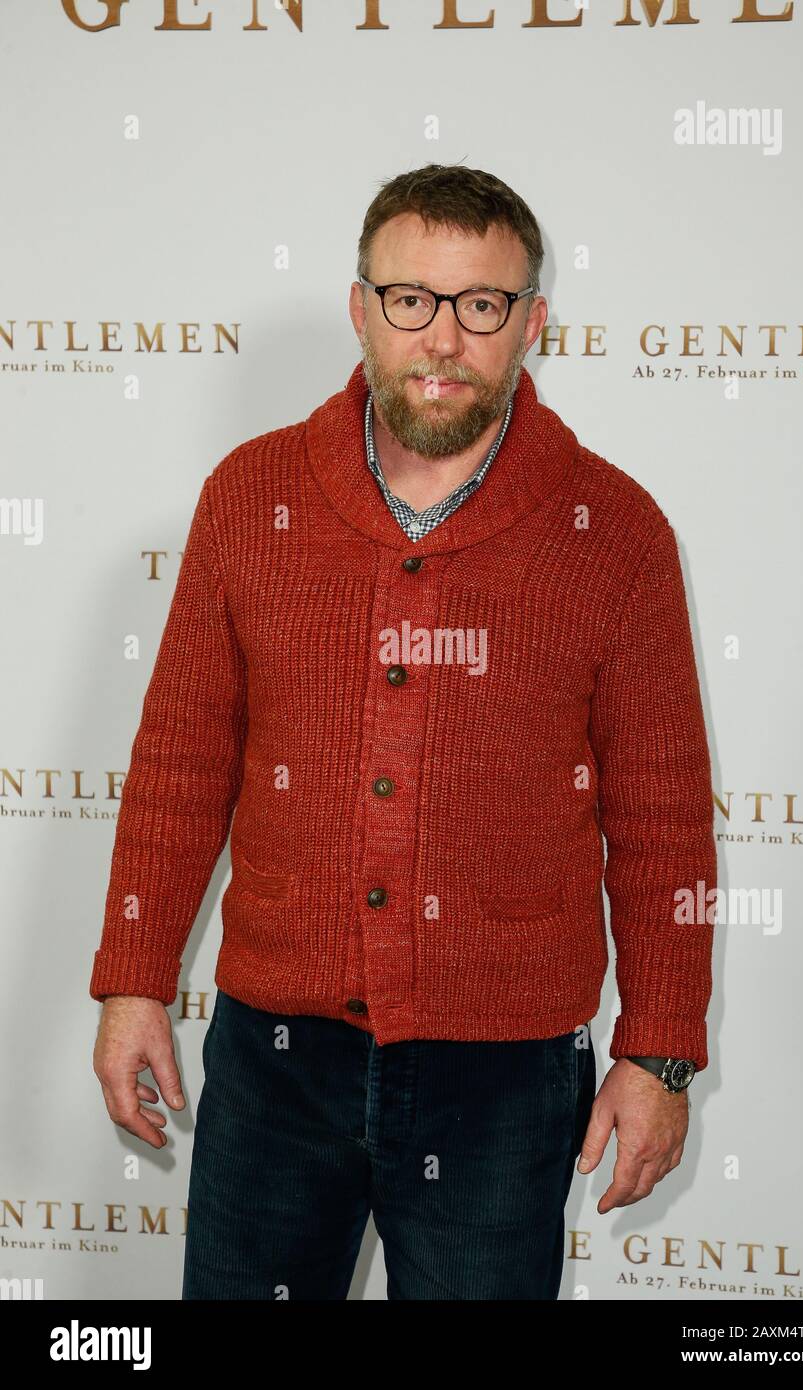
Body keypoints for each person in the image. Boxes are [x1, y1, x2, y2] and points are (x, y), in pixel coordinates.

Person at [90, 163, 716, 1301]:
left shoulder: (612, 532)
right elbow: (180, 763)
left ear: (530, 321)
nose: (442, 338)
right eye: (410, 299)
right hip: (275, 1054)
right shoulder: (250, 495)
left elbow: (663, 818)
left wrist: (659, 1050)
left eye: (480, 305)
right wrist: (134, 981)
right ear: (359, 307)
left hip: (506, 1069)